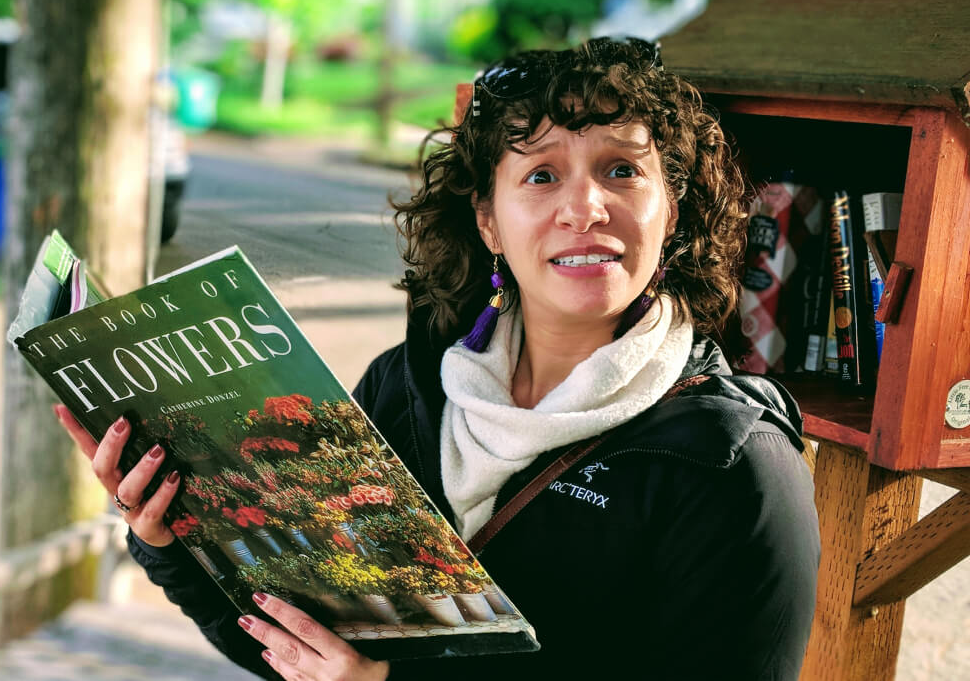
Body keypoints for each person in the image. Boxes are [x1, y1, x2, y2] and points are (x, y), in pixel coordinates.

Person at [56, 37, 820, 681]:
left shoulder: (733, 467)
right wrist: (166, 540)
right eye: (542, 174)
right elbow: (297, 650)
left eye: (623, 170)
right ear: (489, 221)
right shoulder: (407, 387)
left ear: (673, 206)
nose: (584, 206)